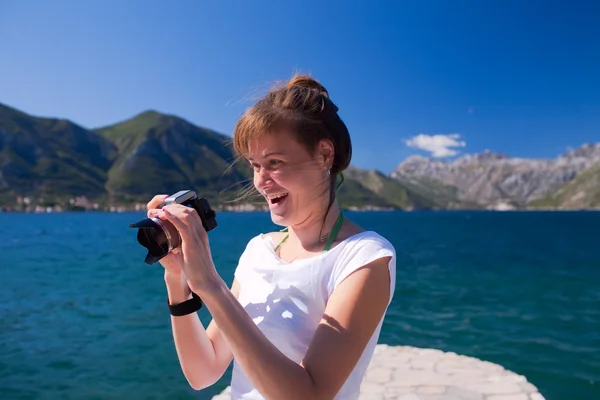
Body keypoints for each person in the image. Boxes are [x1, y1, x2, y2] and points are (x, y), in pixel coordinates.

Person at [146, 75, 397, 400]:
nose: (261, 182)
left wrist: (211, 286)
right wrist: (177, 277)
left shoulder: (364, 258)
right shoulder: (258, 250)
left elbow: (309, 395)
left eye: (275, 163)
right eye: (255, 165)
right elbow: (203, 372)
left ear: (324, 155)